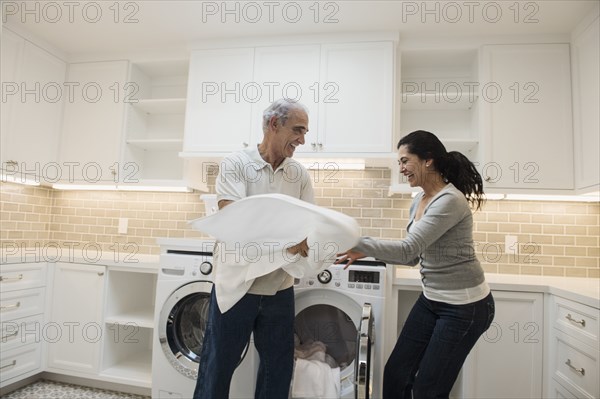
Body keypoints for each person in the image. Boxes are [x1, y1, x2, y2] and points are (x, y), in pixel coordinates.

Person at [337, 130, 495, 399]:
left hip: (464, 308)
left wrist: (357, 242)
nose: (401, 169)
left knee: (428, 390)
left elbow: (408, 249)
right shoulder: (418, 200)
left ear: (428, 160)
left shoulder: (450, 201)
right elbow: (412, 257)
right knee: (396, 374)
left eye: (404, 161)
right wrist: (365, 252)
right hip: (432, 300)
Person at [193, 98, 314, 399]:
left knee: (278, 370)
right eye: (298, 130)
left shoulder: (299, 175)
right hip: (237, 286)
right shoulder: (236, 164)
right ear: (275, 124)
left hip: (279, 287)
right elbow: (235, 221)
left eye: (305, 133)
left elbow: (309, 228)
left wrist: (300, 238)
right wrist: (288, 238)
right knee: (218, 366)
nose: (302, 139)